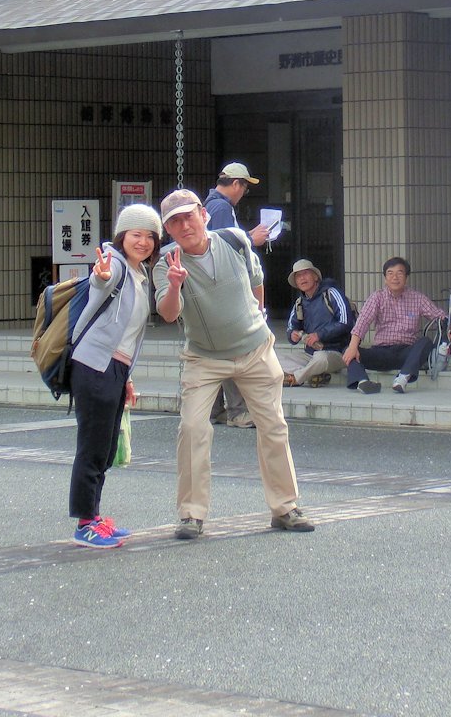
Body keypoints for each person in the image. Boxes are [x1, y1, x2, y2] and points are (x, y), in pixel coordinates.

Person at [153, 188, 314, 539]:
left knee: (273, 426)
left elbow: (257, 283)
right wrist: (174, 286)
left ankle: (285, 507)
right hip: (204, 358)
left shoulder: (235, 240)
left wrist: (258, 319)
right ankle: (191, 514)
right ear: (168, 229)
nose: (184, 226)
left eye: (188, 216)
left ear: (204, 215)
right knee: (192, 428)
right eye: (174, 222)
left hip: (255, 351)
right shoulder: (167, 264)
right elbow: (168, 313)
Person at [67, 203, 160, 549]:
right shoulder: (115, 264)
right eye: (136, 234)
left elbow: (127, 334)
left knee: (105, 447)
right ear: (123, 236)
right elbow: (100, 282)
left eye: (150, 236)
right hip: (94, 365)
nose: (144, 242)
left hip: (114, 368)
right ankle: (85, 524)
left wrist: (127, 378)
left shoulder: (139, 272)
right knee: (92, 446)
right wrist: (101, 276)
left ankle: (93, 517)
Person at [202, 161, 270, 426]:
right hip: (223, 292)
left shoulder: (211, 205)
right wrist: (251, 239)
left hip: (210, 291)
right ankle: (238, 411)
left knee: (215, 351)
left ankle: (214, 410)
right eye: (244, 187)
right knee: (233, 351)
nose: (243, 193)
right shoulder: (221, 208)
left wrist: (246, 236)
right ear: (236, 184)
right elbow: (223, 248)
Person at [343, 256, 451, 394]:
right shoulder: (377, 297)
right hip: (381, 352)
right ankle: (363, 382)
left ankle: (403, 378)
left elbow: (440, 316)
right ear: (385, 278)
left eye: (399, 273)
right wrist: (353, 346)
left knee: (425, 342)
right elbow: (363, 321)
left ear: (406, 277)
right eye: (390, 273)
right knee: (348, 349)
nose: (395, 277)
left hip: (407, 354)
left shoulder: (417, 298)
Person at [278, 258, 353, 386]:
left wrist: (319, 335)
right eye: (298, 276)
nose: (302, 278)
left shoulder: (331, 293)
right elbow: (291, 328)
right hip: (310, 354)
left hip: (337, 353)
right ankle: (314, 374)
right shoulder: (299, 303)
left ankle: (296, 378)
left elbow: (345, 322)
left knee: (321, 358)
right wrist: (292, 335)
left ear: (316, 277)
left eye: (305, 273)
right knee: (275, 358)